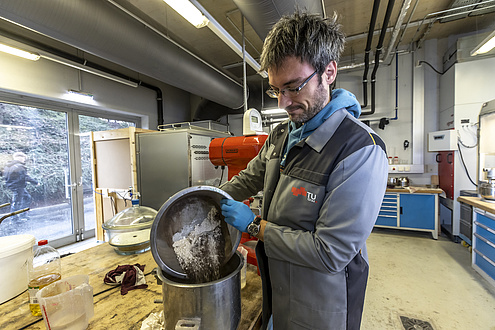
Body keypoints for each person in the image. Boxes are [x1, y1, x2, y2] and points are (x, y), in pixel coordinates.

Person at [219, 12, 388, 330]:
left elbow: (331, 253)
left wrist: (256, 228)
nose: (283, 102)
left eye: (294, 87)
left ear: (329, 72)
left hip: (320, 305)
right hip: (278, 290)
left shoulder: (360, 149)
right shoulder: (283, 134)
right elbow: (252, 176)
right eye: (276, 90)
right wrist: (207, 198)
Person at [2, 151, 38, 220]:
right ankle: (15, 217)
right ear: (20, 158)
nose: (24, 160)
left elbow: (6, 176)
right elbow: (25, 177)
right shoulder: (19, 166)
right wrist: (35, 182)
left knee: (26, 197)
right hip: (18, 186)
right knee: (17, 201)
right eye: (24, 158)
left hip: (13, 185)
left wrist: (10, 184)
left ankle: (21, 214)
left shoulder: (8, 166)